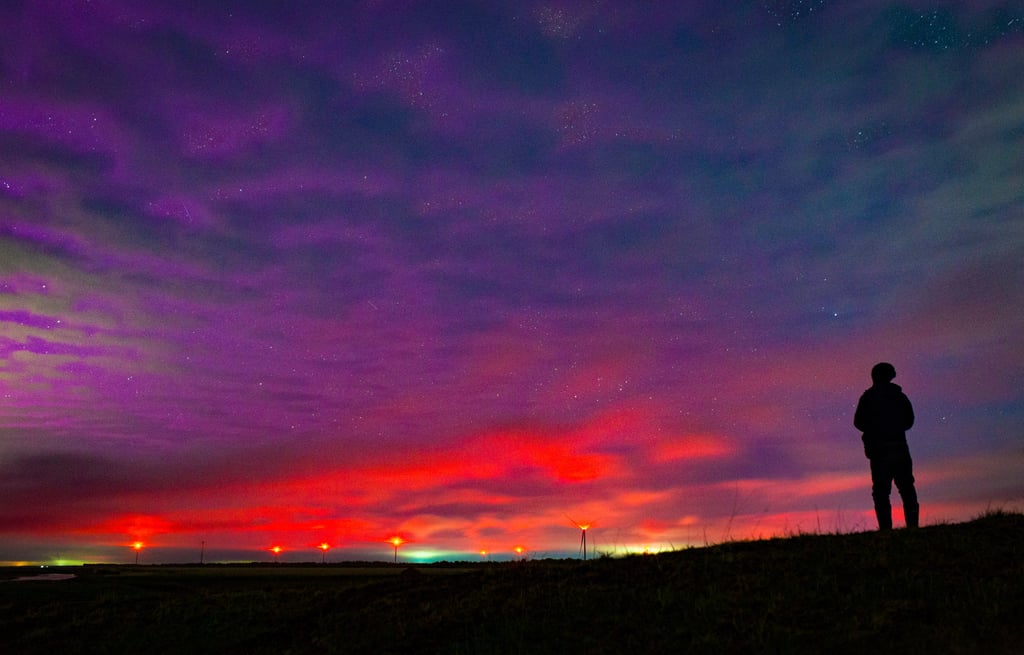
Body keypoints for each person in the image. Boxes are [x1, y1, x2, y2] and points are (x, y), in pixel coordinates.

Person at [854, 362, 919, 530]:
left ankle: (886, 530)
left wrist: (875, 429)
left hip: (880, 451)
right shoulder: (899, 397)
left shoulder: (868, 398)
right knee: (905, 487)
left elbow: (858, 422)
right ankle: (912, 527)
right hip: (897, 447)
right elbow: (909, 420)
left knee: (882, 491)